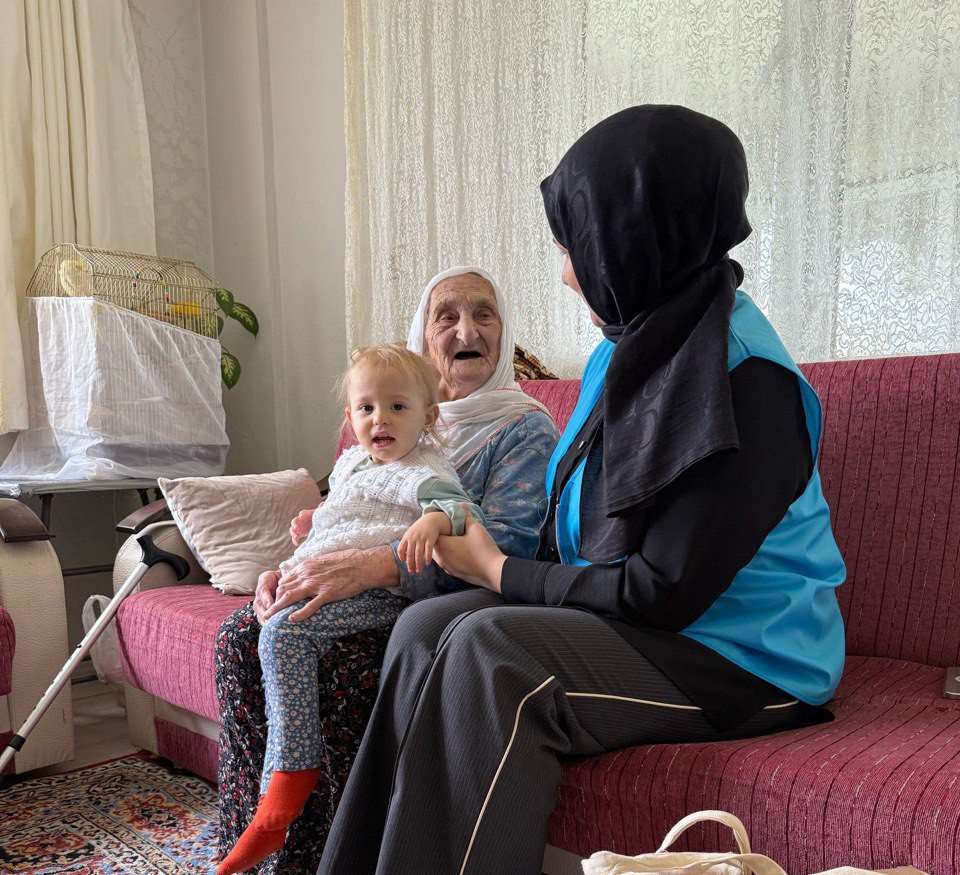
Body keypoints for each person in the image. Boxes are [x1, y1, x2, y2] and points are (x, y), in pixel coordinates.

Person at [315, 105, 847, 875]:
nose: (566, 273)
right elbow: (574, 531)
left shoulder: (748, 382)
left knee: (491, 651)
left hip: (748, 659)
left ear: (639, 238)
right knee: (424, 628)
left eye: (575, 245)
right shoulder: (622, 351)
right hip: (651, 625)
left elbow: (662, 592)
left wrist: (498, 572)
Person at [215, 267, 558, 875]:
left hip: (434, 603)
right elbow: (339, 518)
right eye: (446, 316)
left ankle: (328, 858)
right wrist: (287, 569)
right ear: (422, 337)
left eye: (484, 313)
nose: (467, 330)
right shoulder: (385, 425)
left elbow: (508, 548)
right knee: (240, 637)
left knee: (333, 663)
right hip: (358, 585)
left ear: (503, 331)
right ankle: (255, 839)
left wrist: (376, 567)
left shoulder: (523, 426)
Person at [217, 344, 484, 875]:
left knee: (285, 634)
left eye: (397, 407)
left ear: (429, 418)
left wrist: (433, 521)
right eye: (366, 408)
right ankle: (263, 805)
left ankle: (290, 781)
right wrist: (312, 523)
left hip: (381, 594)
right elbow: (345, 517)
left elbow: (461, 508)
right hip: (331, 578)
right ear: (349, 417)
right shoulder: (350, 464)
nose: (380, 419)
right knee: (249, 628)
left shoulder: (423, 467)